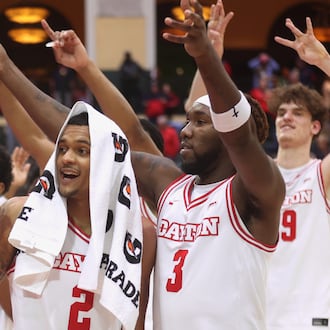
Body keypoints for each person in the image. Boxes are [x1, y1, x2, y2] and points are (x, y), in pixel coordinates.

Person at [0, 1, 285, 329]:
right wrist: (7, 68)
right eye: (187, 120)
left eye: (200, 122)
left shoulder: (255, 192)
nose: (185, 131)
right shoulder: (169, 185)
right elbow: (94, 134)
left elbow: (240, 137)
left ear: (225, 130)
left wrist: (205, 56)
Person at [264, 17, 330, 330]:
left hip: (310, 317)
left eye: (298, 112)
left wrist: (324, 61)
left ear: (315, 127)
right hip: (256, 315)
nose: (286, 117)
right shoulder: (254, 173)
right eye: (282, 112)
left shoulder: (322, 174)